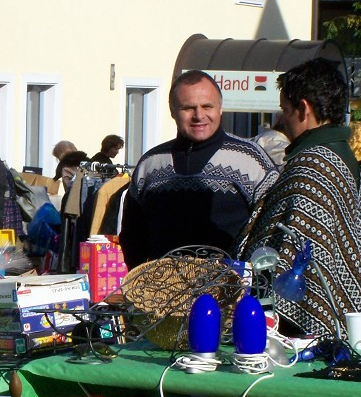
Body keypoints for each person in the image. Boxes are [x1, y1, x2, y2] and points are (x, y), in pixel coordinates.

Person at [236, 58, 361, 397]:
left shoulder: (313, 163)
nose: (283, 118)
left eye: (285, 109)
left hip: (303, 329)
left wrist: (254, 297)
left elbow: (287, 249)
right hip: (323, 322)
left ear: (304, 109)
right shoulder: (337, 155)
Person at [119, 69, 279, 267]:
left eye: (207, 106)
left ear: (220, 108)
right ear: (172, 111)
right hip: (164, 290)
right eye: (188, 108)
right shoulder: (150, 164)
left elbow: (275, 226)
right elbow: (132, 234)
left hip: (229, 291)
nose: (199, 115)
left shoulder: (251, 160)